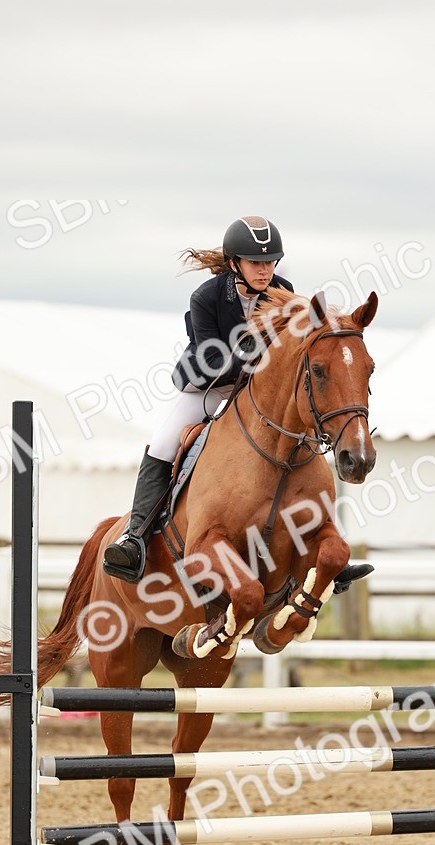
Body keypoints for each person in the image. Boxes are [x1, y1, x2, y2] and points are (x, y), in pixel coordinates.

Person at [103, 216, 372, 595]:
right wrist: (259, 357)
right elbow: (211, 359)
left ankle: (320, 545)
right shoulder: (207, 298)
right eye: (255, 263)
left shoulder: (283, 290)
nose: (265, 270)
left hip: (262, 393)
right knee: (164, 442)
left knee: (303, 437)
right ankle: (134, 538)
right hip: (211, 386)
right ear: (235, 264)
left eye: (270, 262)